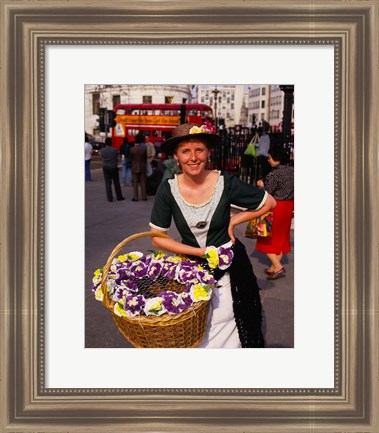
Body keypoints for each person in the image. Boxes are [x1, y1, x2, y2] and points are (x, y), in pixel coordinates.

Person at [149, 123, 276, 348]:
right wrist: (199, 252)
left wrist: (234, 220)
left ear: (208, 153)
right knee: (194, 328)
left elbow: (269, 202)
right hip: (191, 271)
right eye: (185, 151)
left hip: (231, 271)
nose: (193, 157)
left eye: (199, 149)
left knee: (231, 320)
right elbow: (157, 236)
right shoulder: (167, 189)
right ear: (176, 156)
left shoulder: (225, 182)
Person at [256, 146, 294, 280]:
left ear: (276, 159)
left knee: (266, 238)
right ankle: (274, 267)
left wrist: (261, 186)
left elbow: (268, 194)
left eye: (270, 157)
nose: (268, 159)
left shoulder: (273, 174)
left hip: (275, 207)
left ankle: (278, 266)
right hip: (288, 206)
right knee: (281, 237)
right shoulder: (292, 171)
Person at [99, 137, 125, 202]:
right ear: (111, 143)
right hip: (113, 167)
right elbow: (118, 158)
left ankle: (110, 198)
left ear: (105, 143)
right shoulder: (114, 150)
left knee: (108, 183)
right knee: (116, 183)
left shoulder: (102, 150)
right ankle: (119, 196)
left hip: (105, 167)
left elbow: (101, 157)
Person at [130, 134, 147, 201]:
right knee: (143, 182)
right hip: (142, 166)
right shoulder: (143, 149)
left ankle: (135, 197)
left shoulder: (132, 149)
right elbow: (145, 158)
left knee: (135, 183)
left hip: (134, 167)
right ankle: (144, 196)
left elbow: (130, 158)